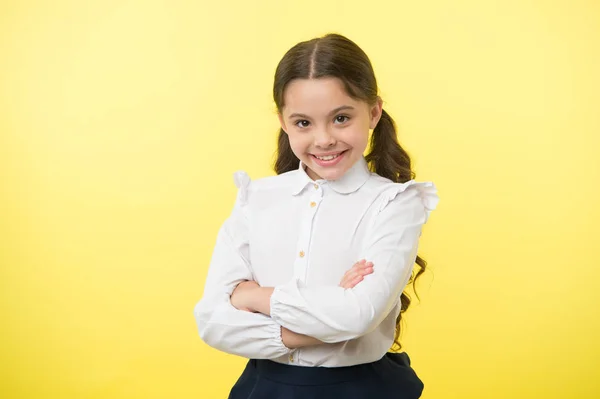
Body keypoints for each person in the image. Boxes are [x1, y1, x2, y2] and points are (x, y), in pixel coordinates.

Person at [193, 33, 440, 399]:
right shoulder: (256, 199)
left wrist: (254, 297)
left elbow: (358, 316)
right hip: (264, 389)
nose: (323, 139)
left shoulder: (395, 204)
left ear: (373, 112)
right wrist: (328, 313)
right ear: (283, 121)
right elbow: (212, 321)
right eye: (303, 123)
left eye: (340, 118)